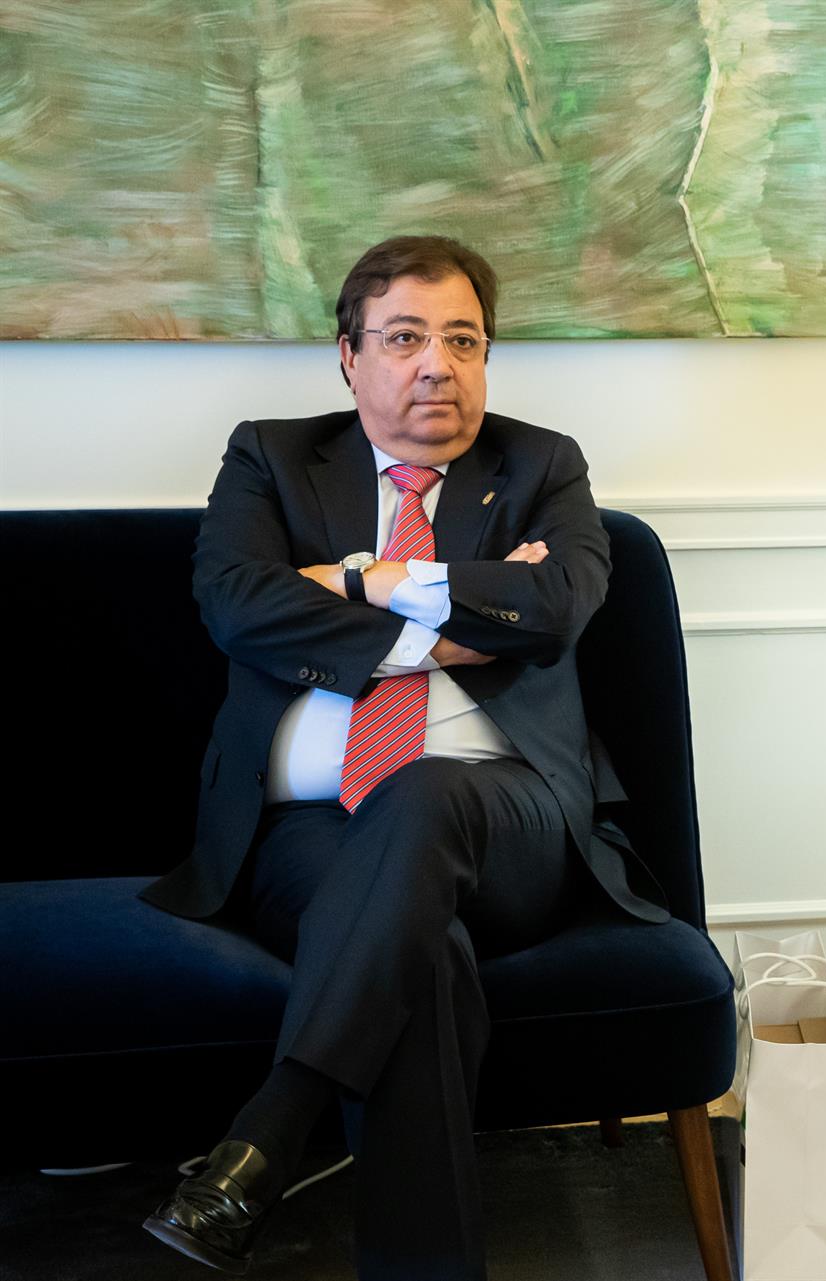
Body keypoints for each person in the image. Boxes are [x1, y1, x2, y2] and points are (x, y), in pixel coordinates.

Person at [139, 235, 666, 1281]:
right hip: (306, 830)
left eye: (463, 340)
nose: (438, 364)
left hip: (510, 821)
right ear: (349, 355)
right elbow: (237, 605)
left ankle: (271, 1126)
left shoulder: (541, 465)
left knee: (429, 792)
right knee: (425, 957)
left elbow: (555, 607)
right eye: (406, 337)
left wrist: (348, 580)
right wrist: (449, 613)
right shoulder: (272, 458)